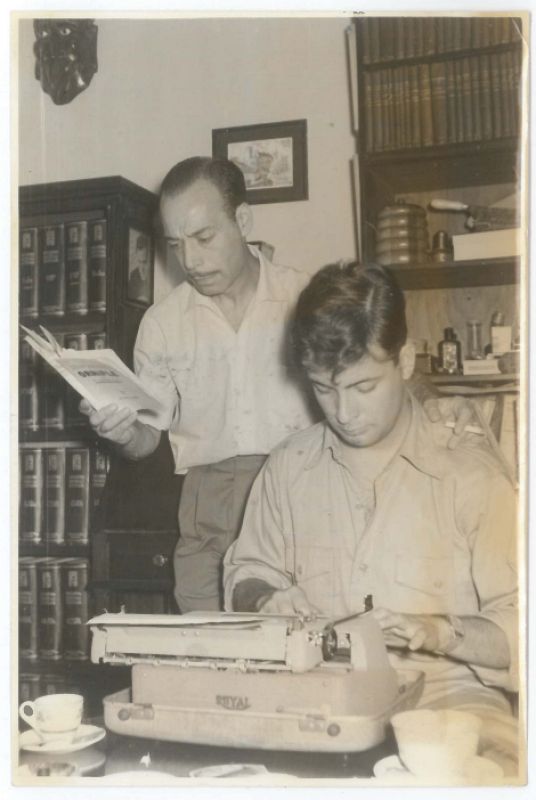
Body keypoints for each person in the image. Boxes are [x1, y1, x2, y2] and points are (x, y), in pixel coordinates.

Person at [81, 156, 472, 614]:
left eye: (204, 238)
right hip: (208, 508)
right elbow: (149, 438)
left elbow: (374, 363)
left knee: (310, 643)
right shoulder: (162, 323)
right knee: (211, 656)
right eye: (175, 244)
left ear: (242, 220)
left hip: (304, 492)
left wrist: (438, 405)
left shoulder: (303, 298)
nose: (190, 260)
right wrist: (125, 433)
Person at [223, 262, 519, 773]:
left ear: (404, 362)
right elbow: (244, 576)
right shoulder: (288, 468)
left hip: (449, 705)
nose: (342, 412)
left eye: (362, 387)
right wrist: (265, 597)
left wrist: (443, 630)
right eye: (323, 388)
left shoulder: (472, 477)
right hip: (318, 704)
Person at [128, 233, 151, 303]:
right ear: (136, 251)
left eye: (145, 248)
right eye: (140, 248)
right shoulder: (133, 275)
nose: (143, 252)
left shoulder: (152, 273)